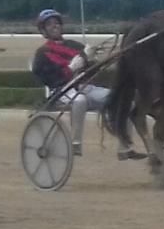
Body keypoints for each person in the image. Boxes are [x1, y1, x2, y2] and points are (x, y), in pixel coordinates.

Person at [31, 9, 146, 160]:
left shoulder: (74, 45)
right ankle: (75, 143)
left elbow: (91, 69)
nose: (55, 26)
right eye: (50, 24)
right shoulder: (42, 53)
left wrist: (95, 59)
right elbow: (46, 77)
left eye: (57, 23)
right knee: (79, 100)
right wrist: (70, 69)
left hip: (86, 88)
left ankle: (125, 147)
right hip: (62, 91)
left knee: (125, 102)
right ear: (43, 30)